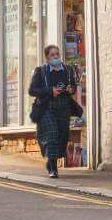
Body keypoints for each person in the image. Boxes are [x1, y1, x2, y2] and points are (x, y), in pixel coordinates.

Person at [28, 45, 81, 178]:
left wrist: (71, 89)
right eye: (52, 55)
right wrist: (50, 91)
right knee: (52, 134)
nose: (56, 57)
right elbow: (32, 90)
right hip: (46, 107)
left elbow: (73, 87)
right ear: (47, 58)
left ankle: (51, 161)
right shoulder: (41, 71)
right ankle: (53, 168)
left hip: (64, 108)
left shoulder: (68, 70)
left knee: (61, 138)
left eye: (57, 54)